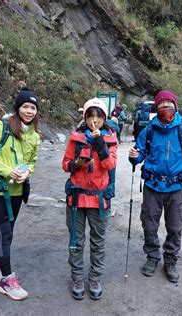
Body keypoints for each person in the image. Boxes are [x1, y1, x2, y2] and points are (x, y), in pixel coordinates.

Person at [128, 90, 182, 283]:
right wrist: (133, 156)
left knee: (175, 227)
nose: (165, 107)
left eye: (168, 103)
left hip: (175, 188)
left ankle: (170, 260)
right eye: (161, 104)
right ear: (156, 108)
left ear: (175, 106)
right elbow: (139, 154)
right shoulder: (148, 131)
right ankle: (152, 257)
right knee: (149, 224)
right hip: (152, 187)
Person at [0, 87, 41, 301]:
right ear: (17, 108)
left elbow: (31, 162)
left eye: (33, 107)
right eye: (25, 106)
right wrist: (7, 171)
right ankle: (6, 279)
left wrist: (27, 173)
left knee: (9, 231)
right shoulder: (0, 127)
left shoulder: (34, 136)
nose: (29, 111)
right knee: (4, 232)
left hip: (16, 191)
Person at [62, 98, 118, 300]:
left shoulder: (111, 139)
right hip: (76, 199)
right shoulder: (76, 139)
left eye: (98, 117)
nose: (94, 121)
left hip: (98, 200)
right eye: (90, 116)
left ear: (104, 118)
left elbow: (109, 165)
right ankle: (77, 277)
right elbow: (65, 165)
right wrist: (77, 163)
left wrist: (100, 142)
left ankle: (94, 277)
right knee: (75, 240)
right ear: (84, 117)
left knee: (98, 241)